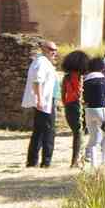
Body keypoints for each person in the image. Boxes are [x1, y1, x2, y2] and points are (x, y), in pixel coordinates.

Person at [22, 40, 59, 168]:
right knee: (48, 132)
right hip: (44, 102)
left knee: (39, 131)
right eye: (51, 49)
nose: (54, 52)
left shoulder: (43, 62)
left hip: (46, 101)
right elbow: (37, 81)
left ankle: (32, 162)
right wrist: (40, 99)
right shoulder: (42, 62)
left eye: (55, 50)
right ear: (43, 49)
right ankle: (46, 162)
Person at [60, 49, 90, 168]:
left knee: (77, 133)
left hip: (69, 105)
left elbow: (63, 94)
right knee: (79, 133)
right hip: (78, 106)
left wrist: (66, 104)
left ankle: (77, 159)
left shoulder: (66, 77)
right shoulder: (82, 77)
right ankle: (75, 161)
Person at [83, 56, 105, 167]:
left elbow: (84, 97)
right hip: (102, 110)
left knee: (93, 137)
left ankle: (93, 163)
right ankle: (104, 160)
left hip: (89, 111)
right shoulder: (103, 79)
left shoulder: (86, 80)